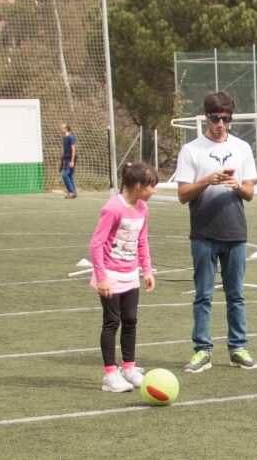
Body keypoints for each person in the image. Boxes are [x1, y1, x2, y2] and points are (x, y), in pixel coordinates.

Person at [174, 91, 257, 372]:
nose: (220, 124)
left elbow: (249, 193)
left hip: (235, 232)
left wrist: (236, 185)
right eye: (215, 118)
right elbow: (183, 194)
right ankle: (202, 350)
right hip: (203, 233)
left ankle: (238, 348)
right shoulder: (191, 150)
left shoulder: (243, 148)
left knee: (236, 295)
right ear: (206, 117)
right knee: (203, 295)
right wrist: (207, 181)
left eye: (225, 119)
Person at [89, 162, 158, 392]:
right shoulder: (113, 209)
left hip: (130, 275)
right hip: (110, 275)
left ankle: (129, 367)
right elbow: (96, 244)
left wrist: (146, 270)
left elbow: (142, 241)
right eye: (152, 186)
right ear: (138, 186)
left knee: (131, 320)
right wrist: (101, 278)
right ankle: (110, 374)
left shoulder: (142, 209)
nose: (154, 190)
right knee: (112, 322)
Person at [59, 123, 77, 199]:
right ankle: (74, 192)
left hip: (70, 159)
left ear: (66, 128)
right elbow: (64, 149)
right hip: (65, 159)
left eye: (62, 127)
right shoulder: (63, 138)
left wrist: (72, 161)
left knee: (64, 175)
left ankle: (71, 191)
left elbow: (73, 150)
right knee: (69, 175)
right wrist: (61, 159)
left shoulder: (71, 137)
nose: (61, 129)